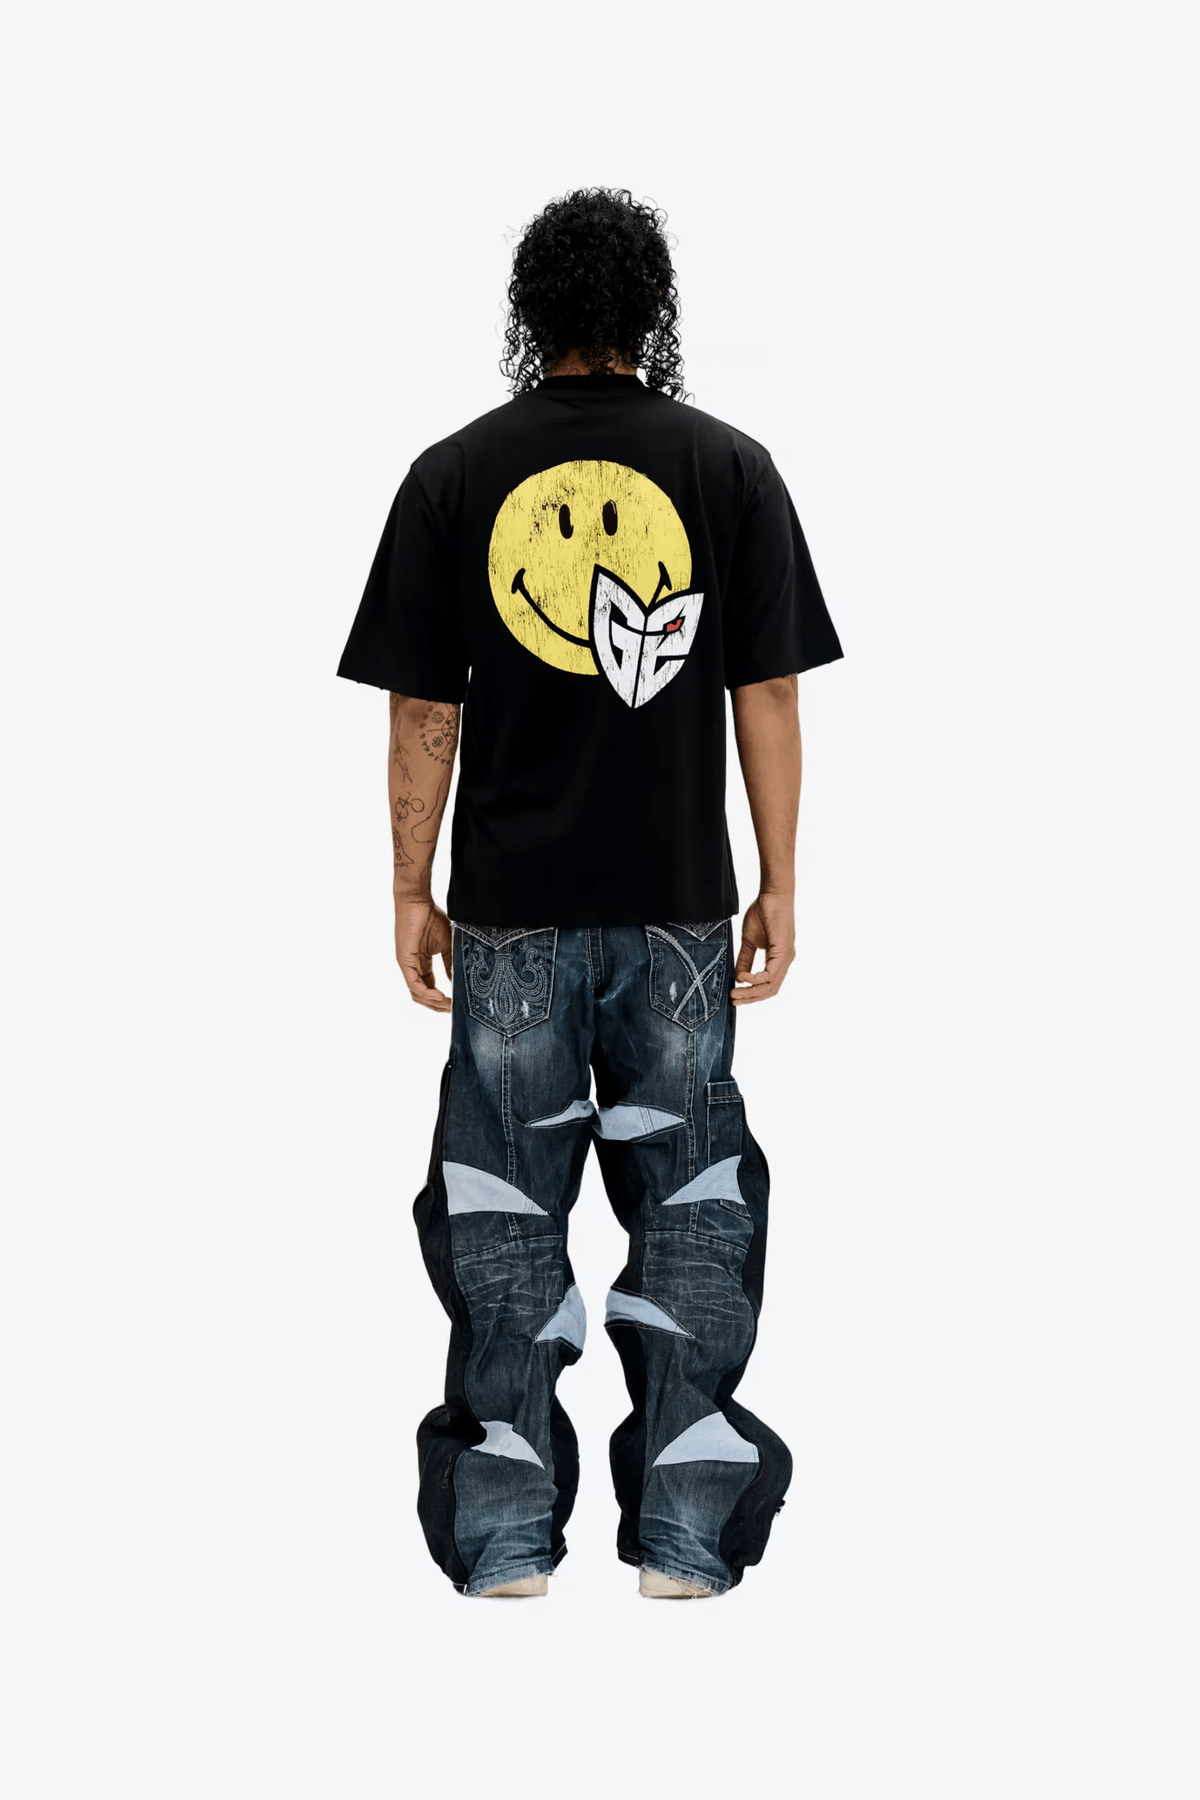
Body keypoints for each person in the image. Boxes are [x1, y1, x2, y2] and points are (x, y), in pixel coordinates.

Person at [337, 188, 842, 1600]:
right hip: (681, 911)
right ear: (650, 312)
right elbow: (768, 693)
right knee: (692, 1211)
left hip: (509, 917)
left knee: (501, 1215)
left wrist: (409, 887)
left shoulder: (454, 474)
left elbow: (423, 712)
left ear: (531, 311)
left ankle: (506, 1543)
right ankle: (684, 1542)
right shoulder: (729, 468)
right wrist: (781, 881)